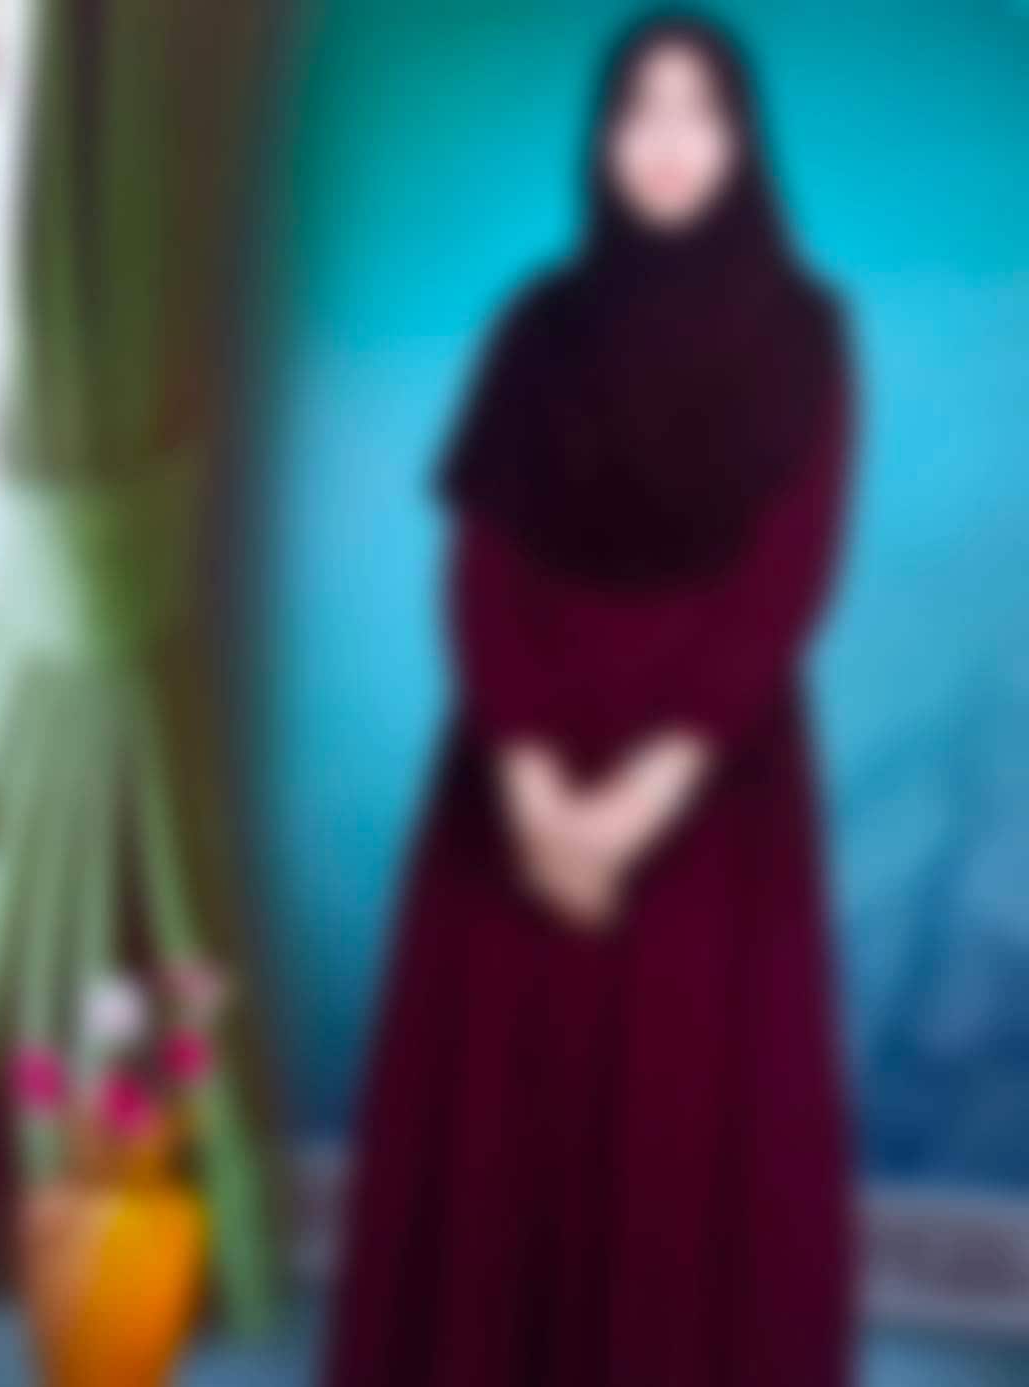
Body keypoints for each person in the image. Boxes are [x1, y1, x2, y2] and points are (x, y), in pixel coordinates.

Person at [325, 14, 855, 1387]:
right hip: (519, 768)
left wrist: (634, 807)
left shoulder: (809, 335)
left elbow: (783, 584)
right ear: (603, 139)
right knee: (507, 1125)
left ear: (743, 142)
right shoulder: (537, 327)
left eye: (700, 112)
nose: (667, 143)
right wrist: (531, 784)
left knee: (683, 1126)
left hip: (712, 786)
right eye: (639, 111)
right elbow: (480, 569)